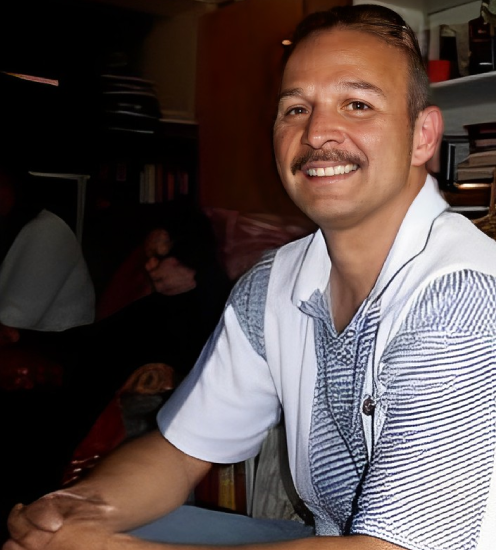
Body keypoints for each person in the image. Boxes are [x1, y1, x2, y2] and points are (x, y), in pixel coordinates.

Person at [5, 4, 496, 550]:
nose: (317, 133)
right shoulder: (274, 284)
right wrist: (75, 512)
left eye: (357, 104)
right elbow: (179, 451)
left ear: (424, 135)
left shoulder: (464, 294)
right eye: (295, 108)